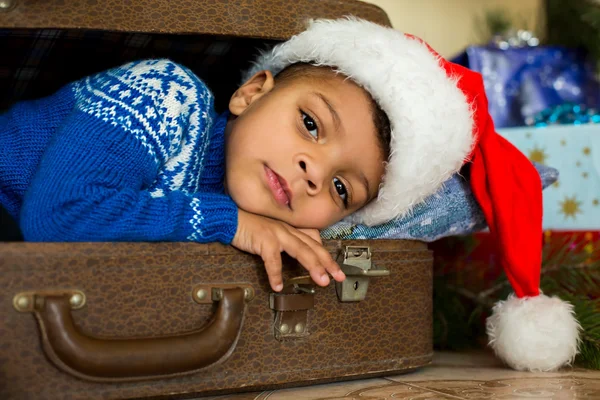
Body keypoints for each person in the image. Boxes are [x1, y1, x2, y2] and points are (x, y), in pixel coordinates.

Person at [0, 18, 579, 372]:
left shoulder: (286, 210)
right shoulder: (166, 94)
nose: (310, 171)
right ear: (251, 93)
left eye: (340, 186)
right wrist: (234, 224)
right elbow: (59, 215)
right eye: (310, 124)